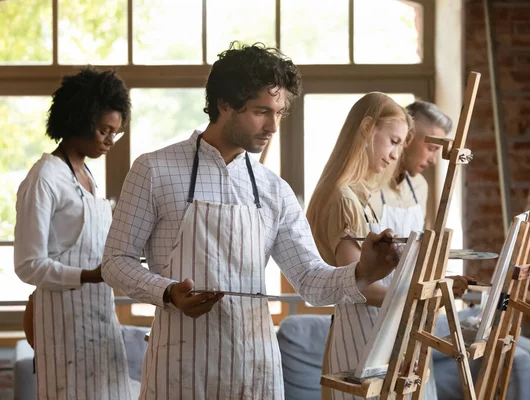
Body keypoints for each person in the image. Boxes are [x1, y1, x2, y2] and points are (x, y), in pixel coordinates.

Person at [101, 43, 401, 400]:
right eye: (262, 111)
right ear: (226, 104)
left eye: (279, 112)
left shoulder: (273, 189)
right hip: (180, 367)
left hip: (255, 369)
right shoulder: (154, 170)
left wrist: (363, 272)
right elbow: (115, 262)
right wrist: (167, 292)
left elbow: (311, 281)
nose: (273, 125)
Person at [307, 95, 469, 400]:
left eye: (401, 144)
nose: (396, 154)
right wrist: (421, 299)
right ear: (367, 129)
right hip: (363, 342)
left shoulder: (359, 197)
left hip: (383, 334)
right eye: (394, 141)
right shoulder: (343, 197)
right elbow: (357, 285)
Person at [14, 67, 134, 399]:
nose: (110, 140)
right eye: (103, 131)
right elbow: (28, 265)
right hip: (62, 327)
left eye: (116, 132)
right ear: (78, 120)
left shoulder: (88, 177)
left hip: (99, 322)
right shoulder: (44, 179)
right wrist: (91, 275)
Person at [368, 100, 452, 237]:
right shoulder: (367, 185)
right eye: (431, 149)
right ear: (407, 138)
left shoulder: (420, 186)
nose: (433, 160)